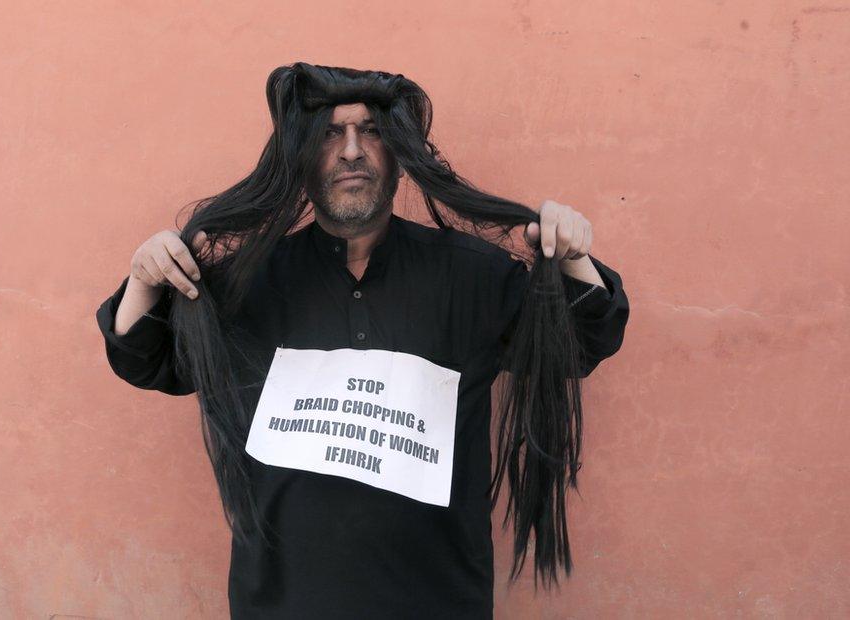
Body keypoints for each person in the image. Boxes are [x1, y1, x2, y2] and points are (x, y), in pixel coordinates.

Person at [96, 63, 629, 619]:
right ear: (301, 158)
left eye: (370, 131)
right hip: (280, 606)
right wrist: (144, 279)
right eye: (330, 132)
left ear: (400, 154)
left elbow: (583, 343)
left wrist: (574, 259)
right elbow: (147, 361)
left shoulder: (473, 277)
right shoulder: (248, 285)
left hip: (439, 603)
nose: (352, 150)